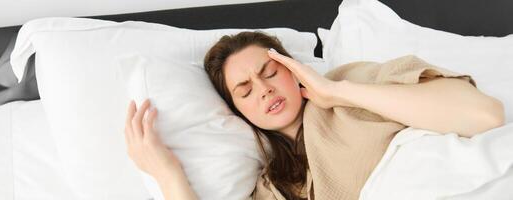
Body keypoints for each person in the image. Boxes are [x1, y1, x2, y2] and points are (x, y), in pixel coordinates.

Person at [123, 31, 505, 200]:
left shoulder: (353, 86)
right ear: (238, 111)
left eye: (270, 72)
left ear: (292, 68)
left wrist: (336, 92)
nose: (264, 89)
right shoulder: (275, 185)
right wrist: (167, 173)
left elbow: (483, 114)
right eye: (245, 90)